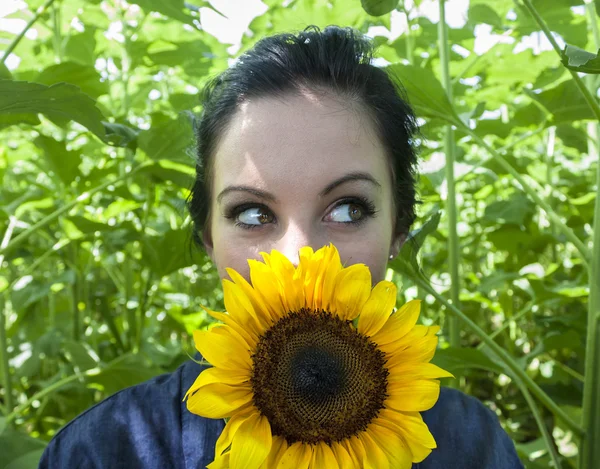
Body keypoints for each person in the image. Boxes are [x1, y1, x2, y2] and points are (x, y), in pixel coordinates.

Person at [38, 25, 523, 468]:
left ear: (399, 231)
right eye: (252, 214)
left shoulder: (470, 447)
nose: (300, 258)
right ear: (208, 237)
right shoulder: (109, 451)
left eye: (349, 208)